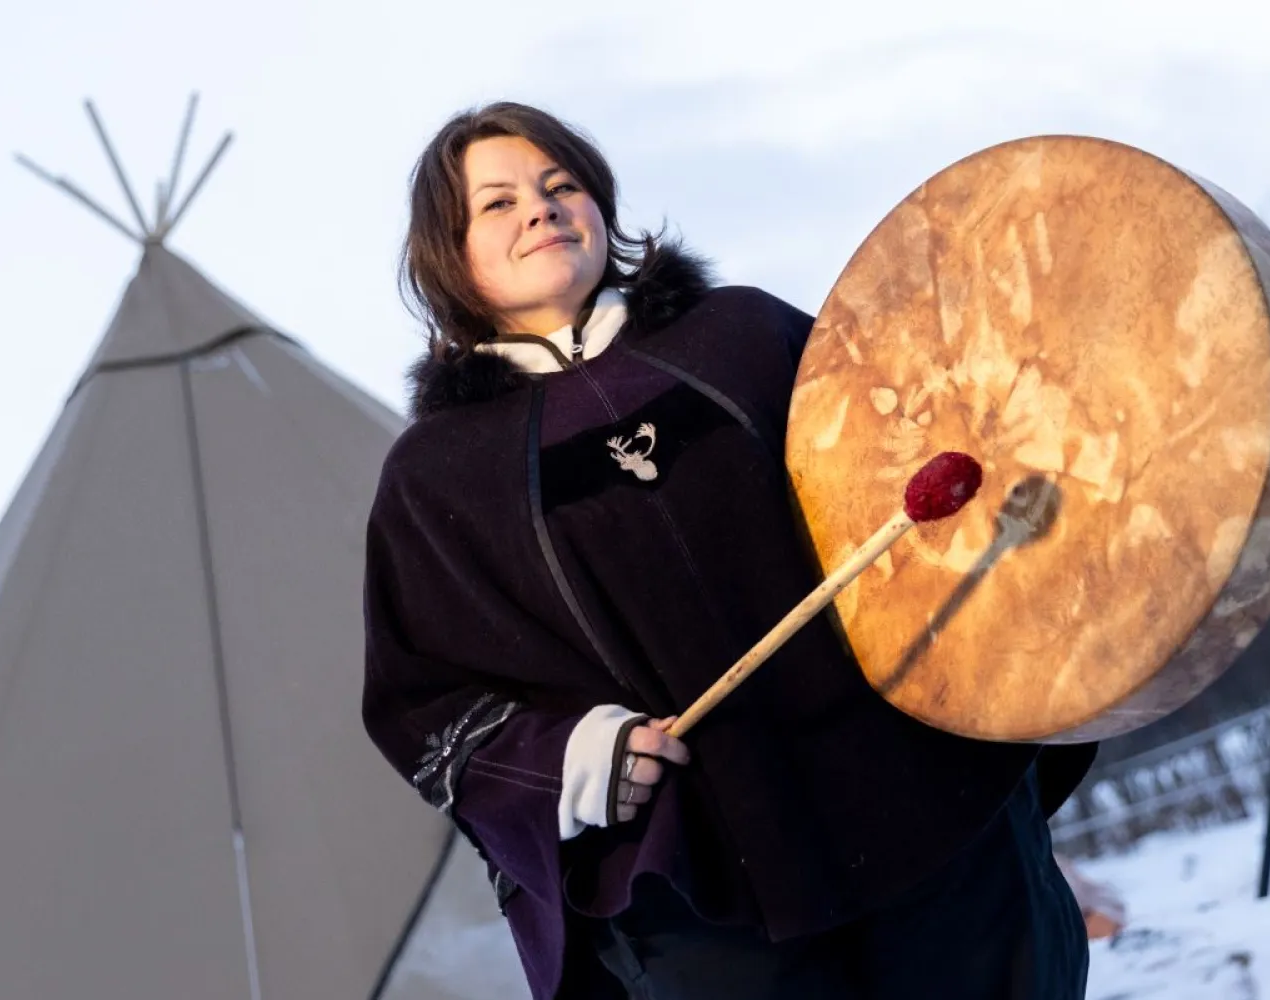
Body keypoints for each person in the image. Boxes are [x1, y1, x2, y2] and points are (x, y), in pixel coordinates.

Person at [361, 101, 1097, 999]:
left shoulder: (742, 336)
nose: (543, 211)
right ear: (450, 254)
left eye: (562, 187)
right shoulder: (437, 477)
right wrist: (574, 757)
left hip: (922, 803)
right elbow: (423, 707)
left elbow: (918, 463)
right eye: (500, 204)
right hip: (700, 887)